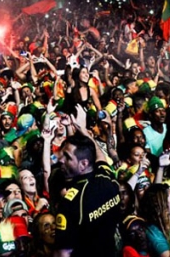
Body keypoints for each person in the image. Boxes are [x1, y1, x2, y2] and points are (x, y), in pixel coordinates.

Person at [53, 105, 121, 256]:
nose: (61, 160)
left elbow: (62, 253)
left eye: (68, 158)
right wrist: (82, 130)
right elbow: (100, 156)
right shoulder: (107, 179)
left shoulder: (70, 202)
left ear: (83, 164)